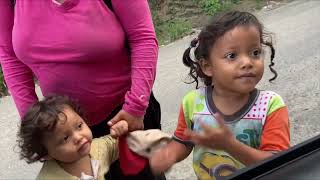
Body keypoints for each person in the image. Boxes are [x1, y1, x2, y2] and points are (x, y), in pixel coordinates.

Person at [0, 0, 162, 179]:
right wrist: (39, 130)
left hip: (125, 116)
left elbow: (143, 38)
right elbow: (9, 56)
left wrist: (136, 107)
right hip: (61, 130)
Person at [149, 11, 290, 179]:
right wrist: (168, 155)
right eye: (232, 55)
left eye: (255, 52)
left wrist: (229, 145)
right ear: (208, 66)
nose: (247, 62)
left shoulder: (271, 106)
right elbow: (183, 142)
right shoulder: (193, 102)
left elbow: (279, 163)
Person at [17, 95, 128, 179]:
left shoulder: (98, 148)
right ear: (46, 154)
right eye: (65, 138)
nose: (78, 137)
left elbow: (121, 143)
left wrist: (123, 130)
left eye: (79, 126)